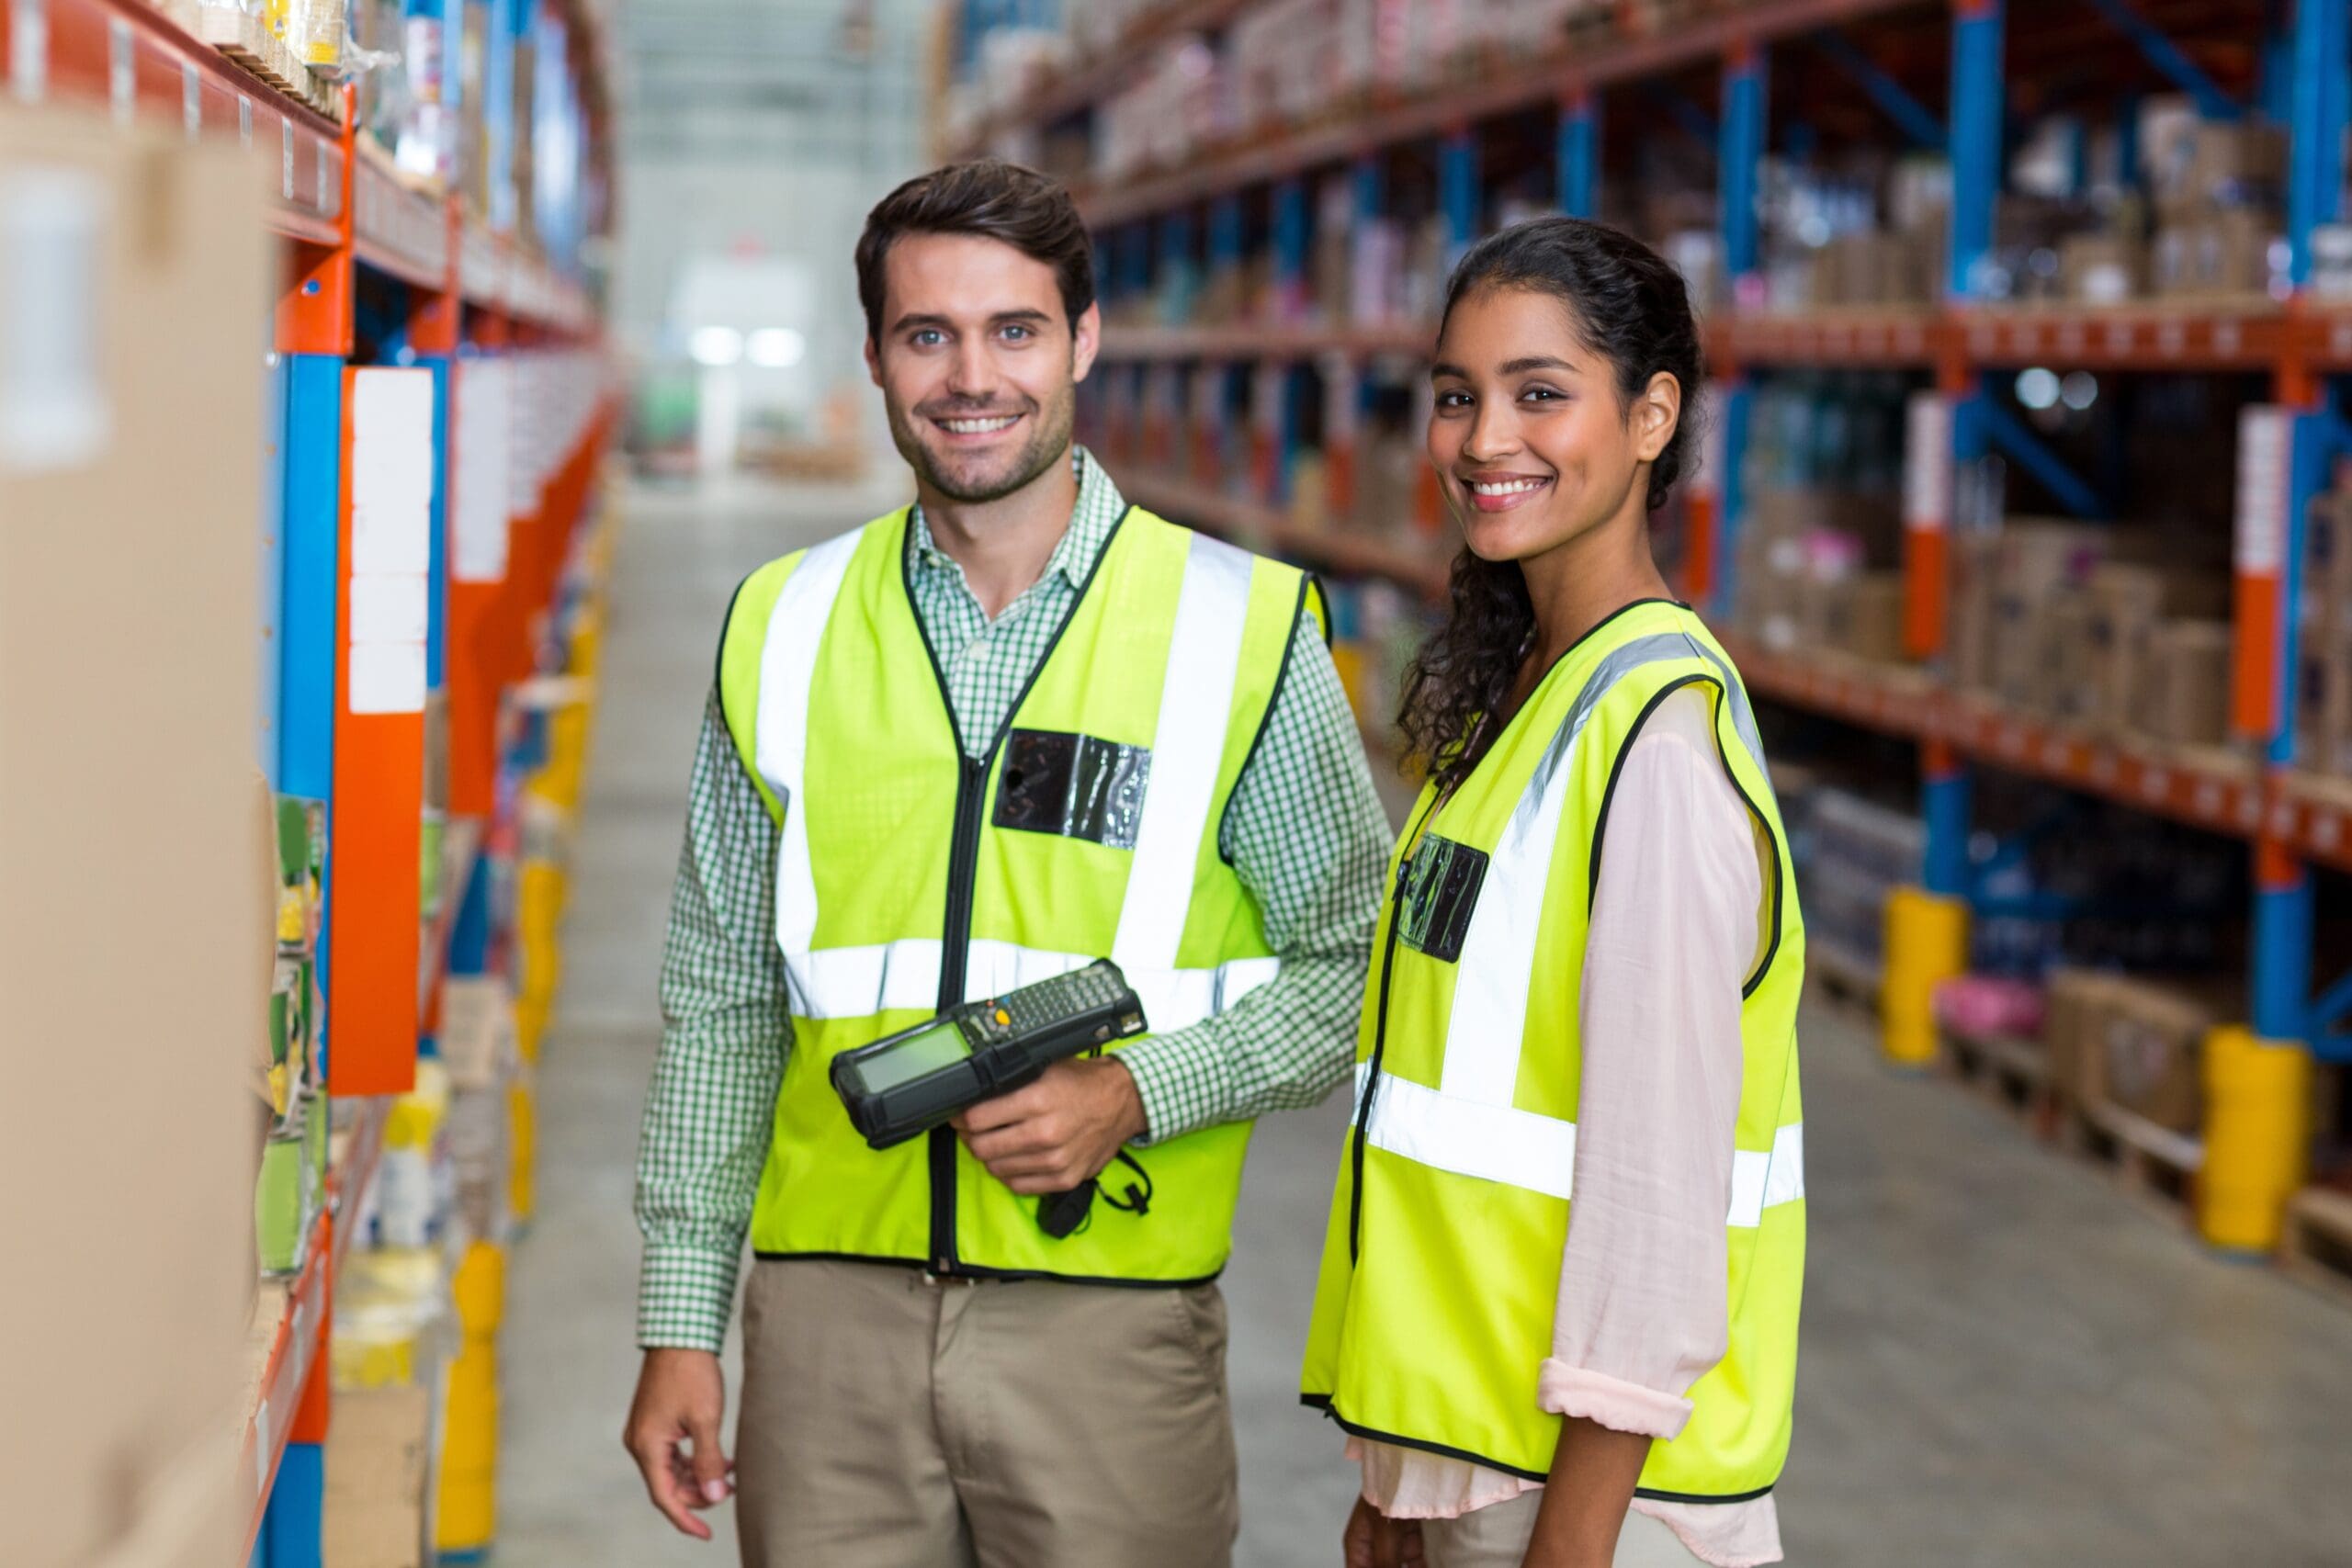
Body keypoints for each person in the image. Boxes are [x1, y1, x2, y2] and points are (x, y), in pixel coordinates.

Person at [621, 158, 1392, 1568]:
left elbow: (1359, 971)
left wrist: (1137, 1091)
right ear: (874, 358)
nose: (973, 377)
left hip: (1106, 1318)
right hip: (826, 1330)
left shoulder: (1238, 628)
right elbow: (720, 997)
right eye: (929, 335)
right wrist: (683, 1316)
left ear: (1084, 340)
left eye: (1015, 331)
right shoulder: (781, 626)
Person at [1299, 217, 1806, 1568]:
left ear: (1651, 417)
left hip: (1595, 1507)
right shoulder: (1532, 695)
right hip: (1479, 1469)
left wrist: (1568, 1546)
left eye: (1540, 394)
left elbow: (1659, 1199)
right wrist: (1400, 1483)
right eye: (1458, 396)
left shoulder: (1657, 738)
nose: (1481, 440)